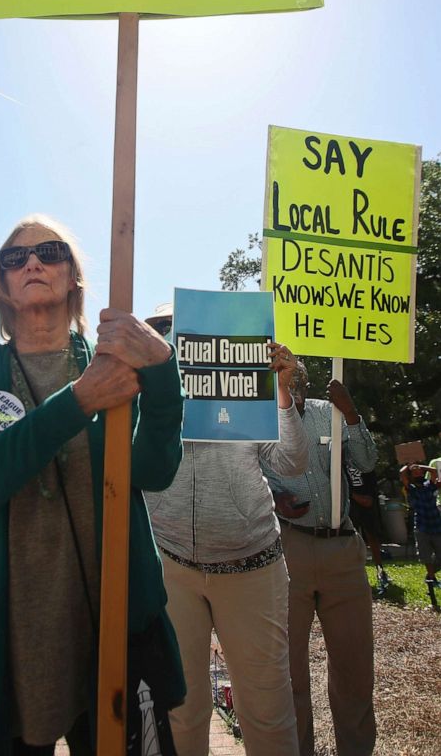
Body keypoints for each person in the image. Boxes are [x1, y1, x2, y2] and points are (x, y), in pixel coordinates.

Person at [0, 215, 186, 756]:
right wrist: (79, 401)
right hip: (17, 640)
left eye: (49, 252)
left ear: (74, 277)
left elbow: (152, 471)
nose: (31, 262)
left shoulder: (110, 363)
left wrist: (163, 376)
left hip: (115, 630)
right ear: (2, 285)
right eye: (15, 258)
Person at [145, 303, 307, 756]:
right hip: (172, 566)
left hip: (252, 565)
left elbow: (292, 463)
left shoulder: (248, 396)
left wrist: (280, 391)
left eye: (182, 329)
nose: (173, 339)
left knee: (267, 713)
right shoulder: (144, 399)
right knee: (179, 710)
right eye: (161, 330)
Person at [263, 362, 377, 756]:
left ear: (305, 385)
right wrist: (274, 498)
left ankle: (357, 748)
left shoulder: (329, 414)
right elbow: (246, 474)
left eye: (295, 383)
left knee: (354, 668)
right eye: (282, 382)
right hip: (287, 548)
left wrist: (351, 414)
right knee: (289, 672)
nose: (290, 390)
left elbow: (367, 463)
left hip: (341, 547)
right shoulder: (260, 422)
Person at [346, 463, 389, 589]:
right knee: (351, 537)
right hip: (351, 503)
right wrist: (353, 496)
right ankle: (355, 572)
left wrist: (370, 497)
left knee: (372, 535)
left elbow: (372, 481)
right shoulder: (341, 461)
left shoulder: (364, 461)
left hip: (368, 502)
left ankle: (380, 570)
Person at [400, 463, 441, 586]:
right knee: (426, 555)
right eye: (415, 472)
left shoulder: (430, 486)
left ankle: (430, 574)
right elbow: (402, 473)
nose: (418, 473)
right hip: (422, 525)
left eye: (420, 471)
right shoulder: (411, 489)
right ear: (411, 475)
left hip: (436, 524)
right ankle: (432, 578)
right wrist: (409, 466)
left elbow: (434, 471)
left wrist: (420, 467)